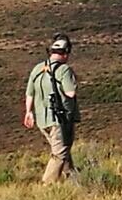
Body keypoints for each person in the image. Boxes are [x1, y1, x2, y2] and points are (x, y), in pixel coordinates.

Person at [24, 34, 80, 184]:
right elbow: (70, 93)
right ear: (66, 52)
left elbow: (29, 93)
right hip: (59, 119)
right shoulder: (64, 70)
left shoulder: (38, 69)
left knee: (63, 151)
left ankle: (74, 182)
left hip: (42, 120)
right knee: (60, 153)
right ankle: (46, 186)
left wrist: (28, 112)